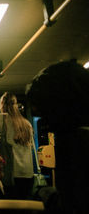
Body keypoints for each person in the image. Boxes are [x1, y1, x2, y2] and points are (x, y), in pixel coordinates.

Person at [26, 59, 89, 213]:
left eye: (44, 111)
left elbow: (75, 203)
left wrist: (46, 195)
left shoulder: (75, 142)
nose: (44, 122)